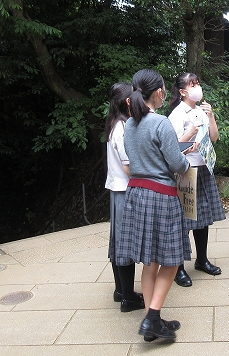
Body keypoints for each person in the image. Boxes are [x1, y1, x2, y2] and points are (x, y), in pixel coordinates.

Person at [116, 68, 196, 342]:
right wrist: (185, 162)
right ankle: (151, 319)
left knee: (149, 262)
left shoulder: (129, 125)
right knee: (172, 261)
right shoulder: (160, 122)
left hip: (136, 195)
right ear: (159, 92)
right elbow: (175, 164)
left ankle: (153, 317)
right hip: (161, 196)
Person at [167, 73, 226, 287]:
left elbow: (214, 137)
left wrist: (210, 117)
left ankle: (202, 260)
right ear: (182, 91)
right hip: (186, 170)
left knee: (202, 216)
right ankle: (179, 268)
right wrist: (189, 137)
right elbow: (171, 147)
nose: (197, 87)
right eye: (192, 85)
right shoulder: (176, 114)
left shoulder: (201, 110)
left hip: (203, 167)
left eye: (198, 83)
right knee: (184, 219)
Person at [105, 82, 145, 313]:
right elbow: (129, 166)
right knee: (125, 244)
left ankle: (121, 290)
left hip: (117, 190)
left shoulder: (114, 124)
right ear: (127, 101)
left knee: (118, 241)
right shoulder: (123, 128)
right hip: (124, 191)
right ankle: (128, 297)